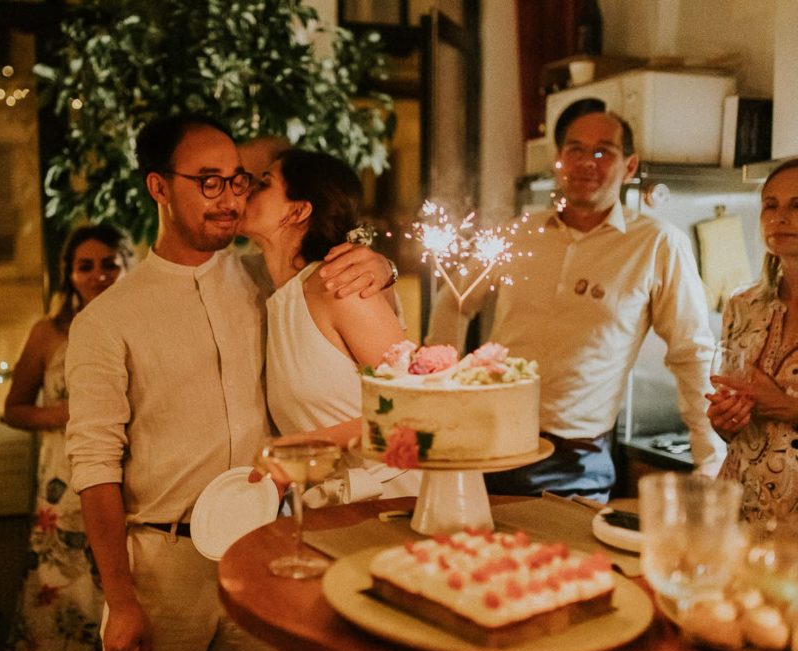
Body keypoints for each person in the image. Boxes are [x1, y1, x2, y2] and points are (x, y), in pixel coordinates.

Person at [65, 113, 395, 651]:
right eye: (208, 180)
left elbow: (333, 278)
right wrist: (120, 598)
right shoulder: (106, 320)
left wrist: (381, 263)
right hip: (166, 560)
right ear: (159, 187)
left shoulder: (266, 280)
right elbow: (94, 465)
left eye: (240, 180)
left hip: (263, 545)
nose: (228, 197)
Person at [427, 100, 723, 501]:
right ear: (558, 160)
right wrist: (438, 388)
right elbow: (454, 300)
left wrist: (710, 455)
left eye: (603, 151)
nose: (588, 162)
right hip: (488, 440)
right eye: (576, 149)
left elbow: (691, 352)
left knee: (564, 563)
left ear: (629, 166)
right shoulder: (518, 232)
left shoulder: (658, 243)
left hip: (574, 462)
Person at [241, 148, 420, 505]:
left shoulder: (342, 288)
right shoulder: (279, 296)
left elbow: (415, 410)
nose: (245, 191)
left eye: (264, 183)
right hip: (338, 507)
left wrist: (308, 445)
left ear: (298, 210)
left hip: (398, 499)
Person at [0, 225, 130, 651]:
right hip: (65, 481)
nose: (98, 275)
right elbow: (13, 410)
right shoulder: (49, 332)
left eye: (109, 264)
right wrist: (67, 413)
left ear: (127, 266)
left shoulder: (142, 326)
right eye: (85, 266)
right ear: (69, 275)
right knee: (61, 593)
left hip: (130, 479)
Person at [708, 159, 798, 523]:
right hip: (737, 513)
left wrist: (786, 407)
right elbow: (735, 432)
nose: (779, 217)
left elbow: (777, 410)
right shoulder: (743, 305)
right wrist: (725, 422)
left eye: (797, 205)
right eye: (770, 205)